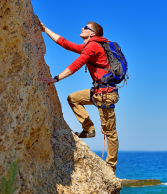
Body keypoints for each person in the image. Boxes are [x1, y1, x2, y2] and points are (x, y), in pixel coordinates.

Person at [40, 21, 119, 173]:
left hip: (105, 94)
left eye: (86, 28)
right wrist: (45, 29)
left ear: (93, 34)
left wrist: (56, 79)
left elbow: (77, 64)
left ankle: (111, 167)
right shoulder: (91, 46)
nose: (82, 28)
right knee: (73, 98)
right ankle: (88, 128)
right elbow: (65, 44)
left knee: (111, 133)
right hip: (99, 92)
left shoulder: (93, 46)